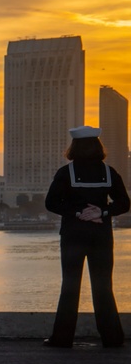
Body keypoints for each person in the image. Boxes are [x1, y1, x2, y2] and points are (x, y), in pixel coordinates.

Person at [44, 125, 129, 348]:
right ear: (98, 146)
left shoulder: (66, 173)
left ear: (74, 147)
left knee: (70, 286)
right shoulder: (109, 172)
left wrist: (77, 213)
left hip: (73, 235)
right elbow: (124, 203)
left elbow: (51, 203)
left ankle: (62, 339)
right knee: (103, 286)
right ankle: (112, 338)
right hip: (101, 236)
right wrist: (102, 212)